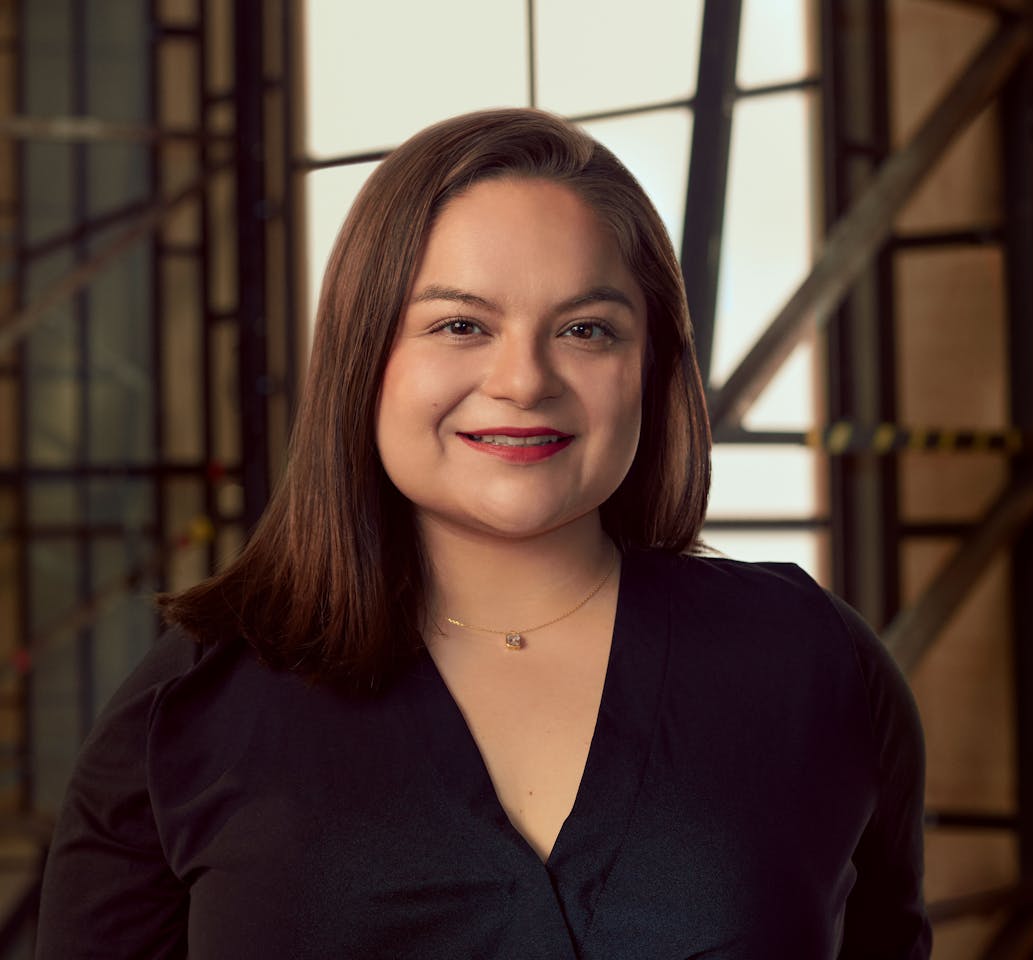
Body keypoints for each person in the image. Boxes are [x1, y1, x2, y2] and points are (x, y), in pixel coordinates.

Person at [35, 108, 931, 959]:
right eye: (461, 324)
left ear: (652, 368)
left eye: (586, 329)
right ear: (362, 357)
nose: (523, 380)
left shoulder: (812, 662)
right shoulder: (193, 706)